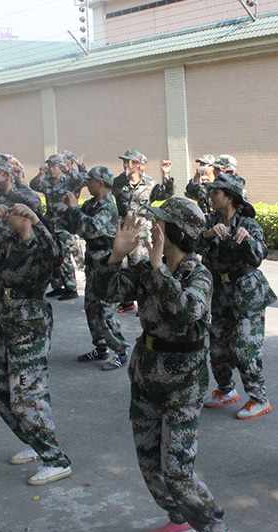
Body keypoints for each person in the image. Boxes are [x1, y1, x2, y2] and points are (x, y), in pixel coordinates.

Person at [97, 197, 238, 532]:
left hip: (183, 384)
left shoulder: (198, 274)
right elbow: (106, 292)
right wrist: (115, 257)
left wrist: (158, 269)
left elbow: (185, 312)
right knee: (149, 462)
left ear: (175, 232)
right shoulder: (146, 267)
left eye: (159, 222)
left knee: (177, 471)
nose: (152, 227)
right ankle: (179, 519)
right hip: (146, 376)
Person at [0, 201, 73, 486]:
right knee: (2, 393)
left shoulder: (41, 247)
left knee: (27, 395)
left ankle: (56, 459)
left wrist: (38, 222)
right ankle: (36, 441)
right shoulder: (5, 243)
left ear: (27, 217)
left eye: (13, 213)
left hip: (30, 325)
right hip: (6, 321)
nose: (7, 217)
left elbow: (56, 253)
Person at [200, 174, 277, 420]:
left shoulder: (248, 224)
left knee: (245, 349)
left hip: (248, 294)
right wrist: (208, 235)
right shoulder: (209, 221)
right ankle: (226, 389)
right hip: (219, 294)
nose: (211, 196)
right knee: (218, 349)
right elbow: (190, 245)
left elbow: (258, 256)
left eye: (216, 193)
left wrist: (248, 240)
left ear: (230, 198)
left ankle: (259, 398)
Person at [60, 165, 129, 370]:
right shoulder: (91, 204)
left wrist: (74, 210)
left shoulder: (107, 206)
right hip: (93, 261)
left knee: (105, 309)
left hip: (106, 263)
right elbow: (72, 225)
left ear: (100, 183)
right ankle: (100, 347)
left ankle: (121, 351)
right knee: (91, 306)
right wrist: (70, 209)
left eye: (90, 181)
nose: (87, 184)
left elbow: (89, 229)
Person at [0, 158, 42, 335]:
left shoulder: (19, 193)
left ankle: (10, 319)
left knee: (11, 287)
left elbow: (35, 202)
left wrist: (18, 182)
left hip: (16, 246)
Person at [112, 149, 175, 313]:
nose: (126, 164)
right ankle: (126, 300)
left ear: (139, 164)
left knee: (141, 265)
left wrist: (166, 176)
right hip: (125, 229)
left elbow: (165, 194)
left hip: (142, 231)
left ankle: (144, 303)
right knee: (123, 265)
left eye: (130, 161)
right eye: (124, 161)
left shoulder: (150, 183)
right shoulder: (119, 182)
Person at [30, 153, 88, 300]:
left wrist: (71, 170)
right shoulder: (47, 181)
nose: (50, 169)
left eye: (53, 166)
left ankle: (71, 288)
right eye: (49, 166)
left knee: (65, 257)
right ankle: (57, 286)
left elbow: (83, 180)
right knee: (51, 254)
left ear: (60, 167)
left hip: (65, 224)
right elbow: (34, 185)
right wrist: (40, 173)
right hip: (50, 223)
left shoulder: (69, 180)